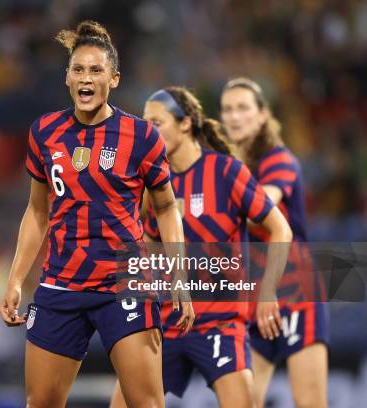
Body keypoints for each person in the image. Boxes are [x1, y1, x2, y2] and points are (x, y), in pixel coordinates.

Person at [0, 21, 194, 408]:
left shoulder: (141, 136)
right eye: (79, 69)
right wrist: (16, 279)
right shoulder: (44, 132)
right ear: (67, 78)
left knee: (148, 405)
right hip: (61, 282)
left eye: (96, 70)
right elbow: (38, 211)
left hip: (125, 281)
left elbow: (167, 207)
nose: (86, 78)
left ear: (114, 79)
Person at [110, 87, 293, 408]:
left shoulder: (226, 171)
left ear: (185, 124)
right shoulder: (152, 184)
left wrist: (267, 293)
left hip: (220, 322)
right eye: (145, 124)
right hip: (166, 323)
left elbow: (280, 229)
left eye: (157, 123)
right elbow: (150, 249)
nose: (148, 133)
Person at [220, 77, 329, 408]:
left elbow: (260, 210)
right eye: (227, 109)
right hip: (253, 295)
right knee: (243, 401)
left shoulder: (278, 160)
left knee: (309, 402)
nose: (234, 116)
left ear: (263, 114)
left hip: (296, 290)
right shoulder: (228, 167)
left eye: (243, 108)